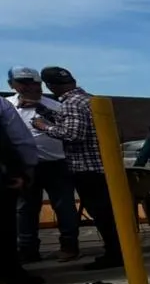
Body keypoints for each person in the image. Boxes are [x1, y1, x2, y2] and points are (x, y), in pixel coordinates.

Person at [31, 67, 123, 270]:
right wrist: (45, 112)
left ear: (50, 86)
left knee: (101, 214)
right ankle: (119, 251)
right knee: (108, 212)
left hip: (86, 168)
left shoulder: (70, 103)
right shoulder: (87, 99)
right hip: (101, 166)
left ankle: (115, 253)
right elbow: (76, 124)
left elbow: (73, 134)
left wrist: (43, 127)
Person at [6, 66, 79, 262]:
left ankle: (69, 246)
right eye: (24, 82)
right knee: (25, 209)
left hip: (55, 163)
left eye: (35, 82)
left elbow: (69, 131)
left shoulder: (55, 105)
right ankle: (28, 250)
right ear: (12, 85)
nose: (31, 87)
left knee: (64, 206)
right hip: (24, 166)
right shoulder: (7, 106)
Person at [0, 97, 41, 284]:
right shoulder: (2, 105)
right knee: (4, 228)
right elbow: (19, 139)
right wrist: (22, 170)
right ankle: (11, 275)